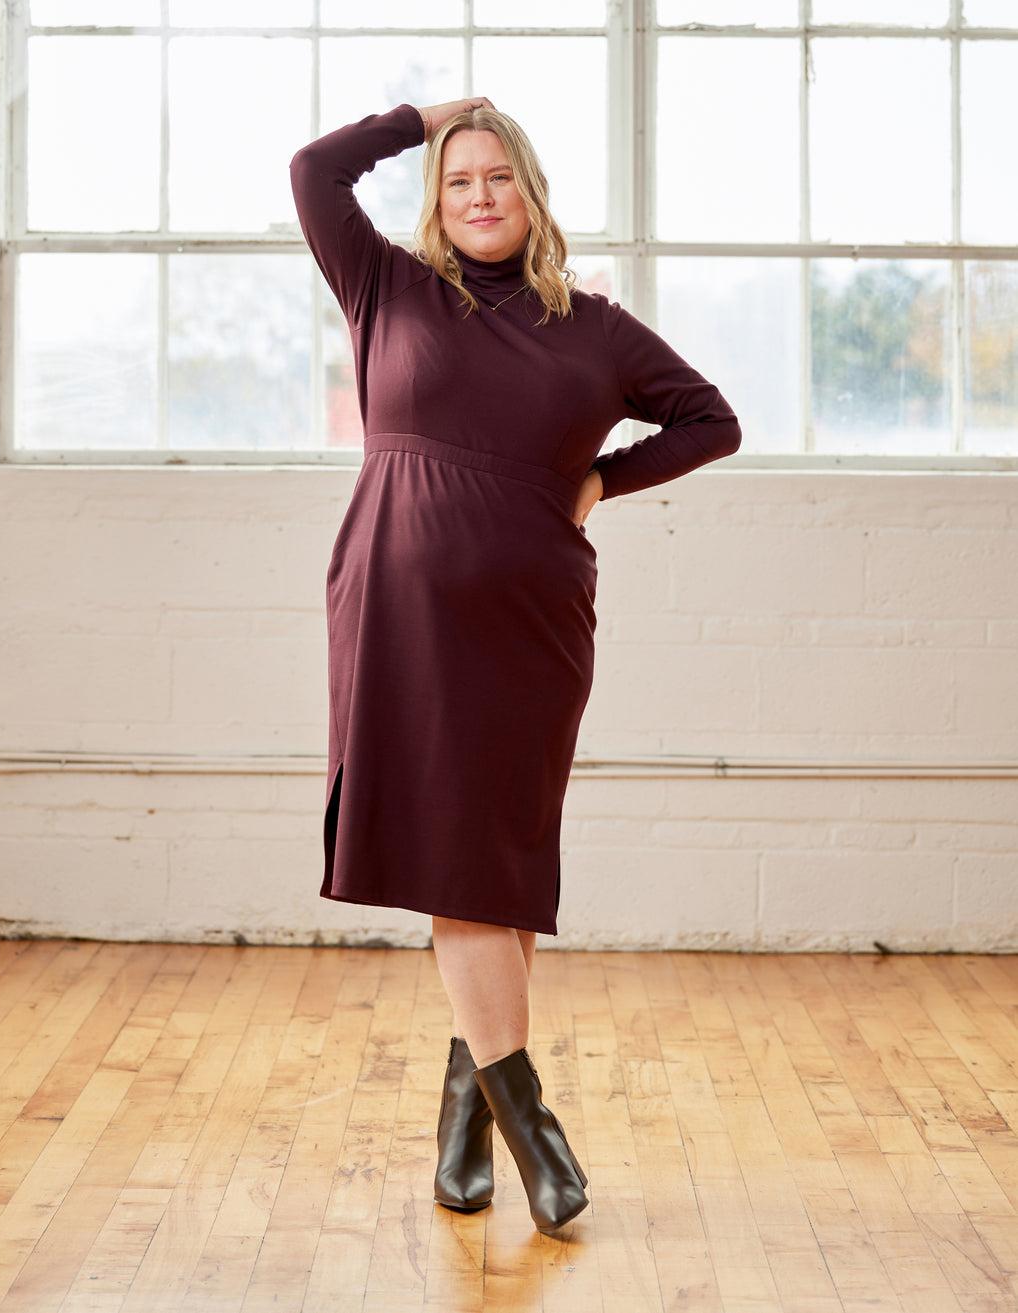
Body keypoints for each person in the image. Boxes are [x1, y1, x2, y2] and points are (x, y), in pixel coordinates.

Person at [290, 96, 741, 1234]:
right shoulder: (386, 285)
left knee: (494, 857)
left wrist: (599, 482)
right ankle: (530, 1124)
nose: (480, 195)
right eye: (459, 179)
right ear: (436, 201)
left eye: (499, 177)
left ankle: (464, 1108)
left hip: (532, 622)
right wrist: (426, 119)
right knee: (458, 862)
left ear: (532, 195)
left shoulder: (595, 327)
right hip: (394, 606)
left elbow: (710, 420)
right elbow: (313, 168)